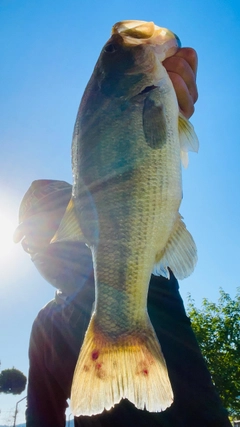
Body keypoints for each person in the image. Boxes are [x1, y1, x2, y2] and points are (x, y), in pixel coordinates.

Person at [14, 48, 232, 427]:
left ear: (81, 215)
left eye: (50, 219)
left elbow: (143, 178)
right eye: (29, 236)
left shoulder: (152, 280)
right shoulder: (43, 328)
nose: (40, 242)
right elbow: (41, 416)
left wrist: (160, 105)